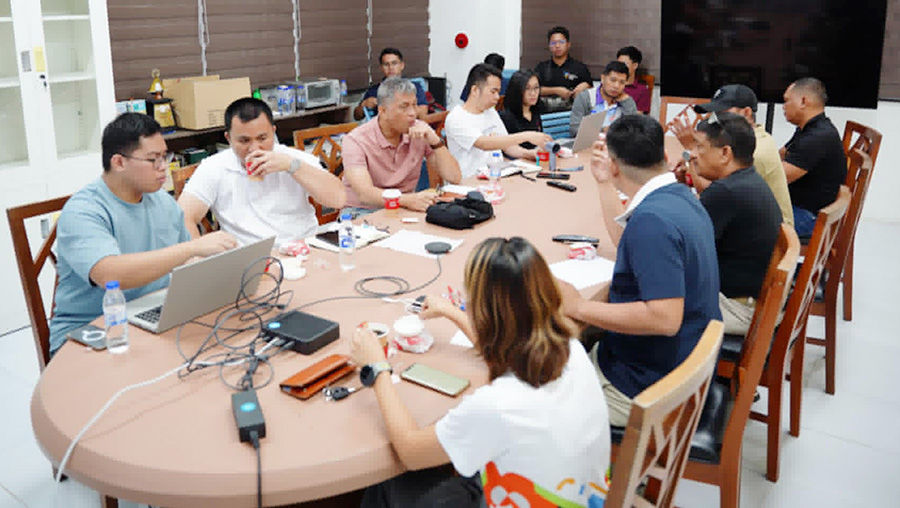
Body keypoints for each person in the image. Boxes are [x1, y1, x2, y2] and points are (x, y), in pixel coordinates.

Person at [352, 237, 610, 507]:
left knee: (388, 485)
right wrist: (452, 312)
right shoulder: (571, 350)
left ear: (483, 312)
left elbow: (410, 451)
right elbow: (510, 350)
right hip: (576, 495)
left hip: (517, 495)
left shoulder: (497, 405)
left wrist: (377, 368)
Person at [557, 115, 721, 426]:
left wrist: (579, 306)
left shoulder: (653, 222)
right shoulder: (681, 196)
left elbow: (665, 318)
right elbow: (630, 244)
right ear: (666, 157)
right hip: (682, 362)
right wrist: (605, 183)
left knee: (529, 389)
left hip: (646, 387)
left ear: (616, 165)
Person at [49, 113, 238, 354]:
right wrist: (192, 248)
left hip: (151, 314)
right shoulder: (84, 210)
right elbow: (110, 275)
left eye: (164, 156)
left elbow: (190, 263)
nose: (163, 168)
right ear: (119, 162)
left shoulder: (162, 202)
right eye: (153, 160)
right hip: (93, 329)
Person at [178, 98, 346, 246]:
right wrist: (198, 258)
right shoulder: (215, 167)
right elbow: (183, 217)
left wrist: (291, 166)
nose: (254, 148)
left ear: (273, 132)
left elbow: (338, 199)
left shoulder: (293, 158)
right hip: (249, 259)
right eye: (244, 141)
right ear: (229, 139)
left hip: (303, 247)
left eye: (262, 138)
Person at [681, 112, 782, 336]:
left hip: (737, 309)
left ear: (725, 153)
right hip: (753, 298)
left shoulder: (725, 192)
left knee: (653, 302)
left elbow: (683, 251)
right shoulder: (746, 179)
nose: (693, 155)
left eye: (699, 147)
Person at [672, 84, 794, 226]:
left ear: (747, 113)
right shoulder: (754, 138)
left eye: (722, 113)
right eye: (713, 114)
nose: (715, 120)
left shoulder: (753, 150)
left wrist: (691, 151)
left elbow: (707, 190)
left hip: (774, 238)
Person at [342, 77, 461, 214]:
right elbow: (365, 194)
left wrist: (435, 140)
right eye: (404, 107)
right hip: (362, 211)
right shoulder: (356, 140)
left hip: (404, 207)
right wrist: (409, 200)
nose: (413, 113)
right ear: (383, 111)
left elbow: (454, 177)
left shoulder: (419, 132)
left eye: (414, 105)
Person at [445, 64, 552, 177]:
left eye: (498, 92)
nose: (497, 97)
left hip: (497, 176)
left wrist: (528, 153)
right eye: (493, 92)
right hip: (470, 182)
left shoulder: (490, 112)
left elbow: (507, 146)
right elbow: (483, 143)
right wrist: (528, 136)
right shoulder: (457, 118)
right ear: (475, 90)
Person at [780, 77, 847, 237]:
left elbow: (779, 177)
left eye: (787, 101)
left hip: (809, 218)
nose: (783, 107)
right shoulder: (809, 128)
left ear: (804, 101)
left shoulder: (818, 137)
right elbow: (781, 154)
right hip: (801, 207)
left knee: (746, 220)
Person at [355, 48, 429, 121]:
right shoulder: (374, 90)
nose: (391, 68)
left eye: (394, 63)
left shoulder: (413, 87)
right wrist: (363, 105)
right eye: (386, 64)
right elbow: (357, 116)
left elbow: (423, 113)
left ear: (402, 65)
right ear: (381, 68)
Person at [570, 60, 637, 137]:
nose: (616, 86)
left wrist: (626, 103)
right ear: (602, 78)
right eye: (613, 80)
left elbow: (634, 130)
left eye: (622, 82)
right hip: (590, 144)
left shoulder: (627, 101)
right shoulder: (585, 97)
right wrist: (603, 130)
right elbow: (574, 129)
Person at [534, 26, 592, 111]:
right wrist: (556, 90)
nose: (557, 46)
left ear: (568, 44)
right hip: (545, 112)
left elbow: (590, 88)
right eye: (553, 43)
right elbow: (534, 89)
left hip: (573, 112)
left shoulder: (579, 67)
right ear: (549, 46)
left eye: (561, 42)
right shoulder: (542, 67)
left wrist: (584, 86)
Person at [498, 70, 543, 150]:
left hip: (535, 158)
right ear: (517, 90)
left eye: (536, 88)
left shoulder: (534, 112)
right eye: (527, 88)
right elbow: (506, 149)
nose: (533, 93)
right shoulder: (507, 117)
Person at [616, 45, 651, 114]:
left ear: (635, 65)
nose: (620, 67)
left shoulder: (642, 91)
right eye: (618, 64)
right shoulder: (610, 84)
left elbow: (637, 120)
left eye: (624, 64)